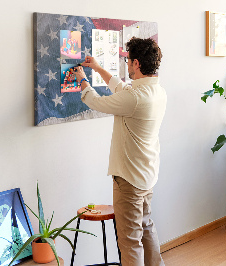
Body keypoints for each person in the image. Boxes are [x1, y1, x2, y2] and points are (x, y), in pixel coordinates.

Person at [71, 37, 166, 266]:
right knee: (146, 229)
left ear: (136, 64)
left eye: (128, 62)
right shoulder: (157, 92)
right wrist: (97, 68)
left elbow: (96, 101)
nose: (127, 67)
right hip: (146, 175)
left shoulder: (134, 98)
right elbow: (121, 88)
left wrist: (82, 79)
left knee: (130, 241)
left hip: (129, 179)